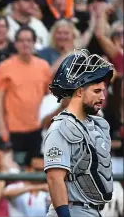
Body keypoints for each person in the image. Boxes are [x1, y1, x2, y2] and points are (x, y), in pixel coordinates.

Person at [44, 49, 115, 217]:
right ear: (80, 92)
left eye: (103, 91)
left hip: (92, 211)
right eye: (97, 91)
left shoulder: (97, 125)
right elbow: (55, 178)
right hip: (72, 209)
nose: (103, 97)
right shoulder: (61, 127)